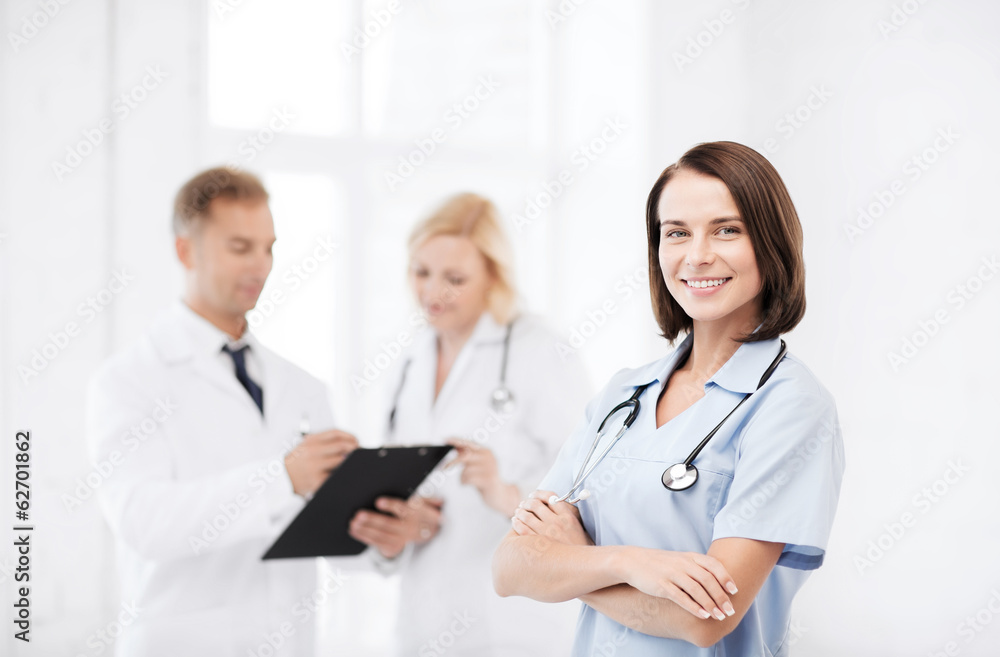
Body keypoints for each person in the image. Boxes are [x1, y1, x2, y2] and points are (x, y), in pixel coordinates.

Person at [492, 142, 846, 656]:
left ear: (771, 243)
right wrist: (629, 563)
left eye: (727, 229)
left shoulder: (790, 405)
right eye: (676, 233)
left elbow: (703, 622)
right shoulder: (623, 395)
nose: (697, 255)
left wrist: (577, 560)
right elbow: (510, 567)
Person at [86, 167, 358, 656]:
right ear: (185, 251)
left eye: (269, 247)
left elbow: (325, 533)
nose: (261, 265)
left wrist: (377, 527)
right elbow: (141, 521)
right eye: (240, 247)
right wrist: (282, 478)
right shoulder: (128, 380)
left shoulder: (303, 386)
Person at [347, 193, 592, 656]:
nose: (432, 293)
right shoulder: (409, 360)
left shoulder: (539, 351)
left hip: (516, 627)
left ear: (493, 277)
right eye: (421, 273)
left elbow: (593, 488)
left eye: (455, 279)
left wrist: (505, 494)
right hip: (423, 620)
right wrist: (402, 526)